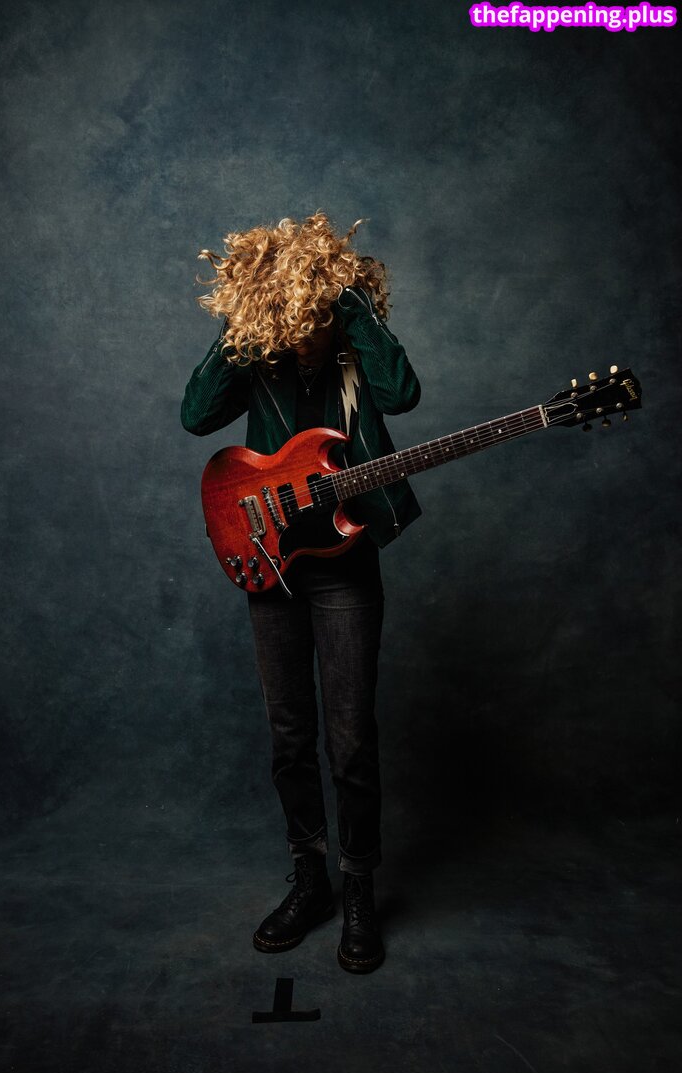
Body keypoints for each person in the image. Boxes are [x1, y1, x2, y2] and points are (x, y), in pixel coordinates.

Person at [180, 212, 421, 973]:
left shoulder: (356, 352)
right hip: (272, 562)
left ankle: (359, 889)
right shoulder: (261, 354)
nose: (304, 332)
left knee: (350, 741)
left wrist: (352, 305)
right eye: (292, 315)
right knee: (289, 736)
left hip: (346, 566)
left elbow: (404, 395)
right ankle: (310, 880)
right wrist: (242, 321)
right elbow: (195, 416)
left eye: (315, 315)